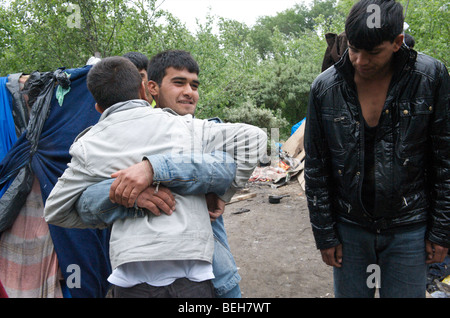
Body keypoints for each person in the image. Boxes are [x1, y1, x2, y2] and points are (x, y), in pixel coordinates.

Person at [44, 56, 267, 298]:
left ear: (98, 107)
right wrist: (129, 195)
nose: (188, 93)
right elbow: (254, 139)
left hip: (132, 277)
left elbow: (55, 209)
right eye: (179, 83)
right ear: (145, 89)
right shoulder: (187, 129)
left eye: (194, 85)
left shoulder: (89, 144)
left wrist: (147, 176)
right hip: (194, 274)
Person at [304, 0, 449, 298]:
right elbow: (316, 167)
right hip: (349, 227)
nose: (359, 61)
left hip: (409, 228)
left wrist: (441, 231)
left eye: (372, 53)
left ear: (397, 43)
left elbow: (445, 161)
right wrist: (325, 234)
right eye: (354, 49)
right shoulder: (324, 88)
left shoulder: (431, 77)